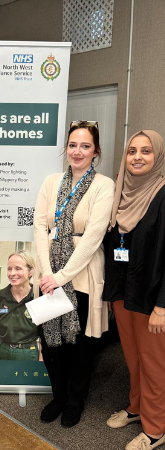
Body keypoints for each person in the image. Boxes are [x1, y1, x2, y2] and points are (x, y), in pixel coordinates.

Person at [32, 120, 114, 427]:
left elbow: (93, 237)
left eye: (85, 146)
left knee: (80, 345)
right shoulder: (51, 182)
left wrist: (61, 276)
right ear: (66, 148)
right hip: (48, 272)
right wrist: (46, 271)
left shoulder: (103, 185)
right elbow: (40, 226)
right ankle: (58, 396)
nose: (77, 152)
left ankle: (76, 399)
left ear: (96, 152)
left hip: (81, 274)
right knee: (51, 342)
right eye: (72, 145)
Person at [102, 130, 165, 450]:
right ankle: (137, 407)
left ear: (158, 158)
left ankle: (156, 428)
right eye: (131, 151)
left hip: (151, 300)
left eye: (146, 151)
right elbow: (114, 247)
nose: (137, 157)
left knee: (154, 365)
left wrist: (162, 306)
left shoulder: (162, 194)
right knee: (133, 359)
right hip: (124, 294)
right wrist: (113, 295)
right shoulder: (120, 193)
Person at [0, 251, 42, 361]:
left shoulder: (38, 297)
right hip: (2, 352)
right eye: (9, 269)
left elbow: (44, 336)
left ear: (31, 271)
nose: (12, 273)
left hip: (29, 354)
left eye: (18, 268)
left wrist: (41, 362)